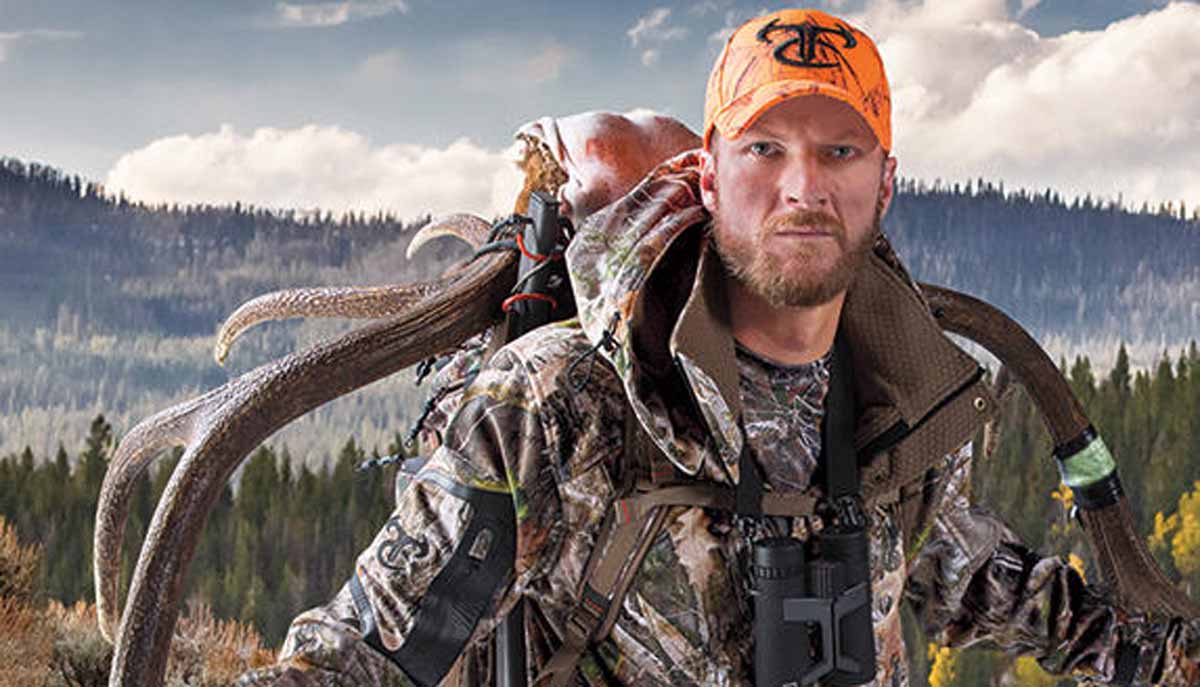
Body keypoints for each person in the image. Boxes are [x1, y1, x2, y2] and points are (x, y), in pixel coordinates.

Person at [240, 8, 1200, 687]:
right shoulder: (561, 403)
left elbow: (973, 576)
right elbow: (370, 649)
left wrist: (1160, 656)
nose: (802, 188)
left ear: (885, 183)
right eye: (764, 148)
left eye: (839, 150)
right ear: (707, 174)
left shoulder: (900, 404)